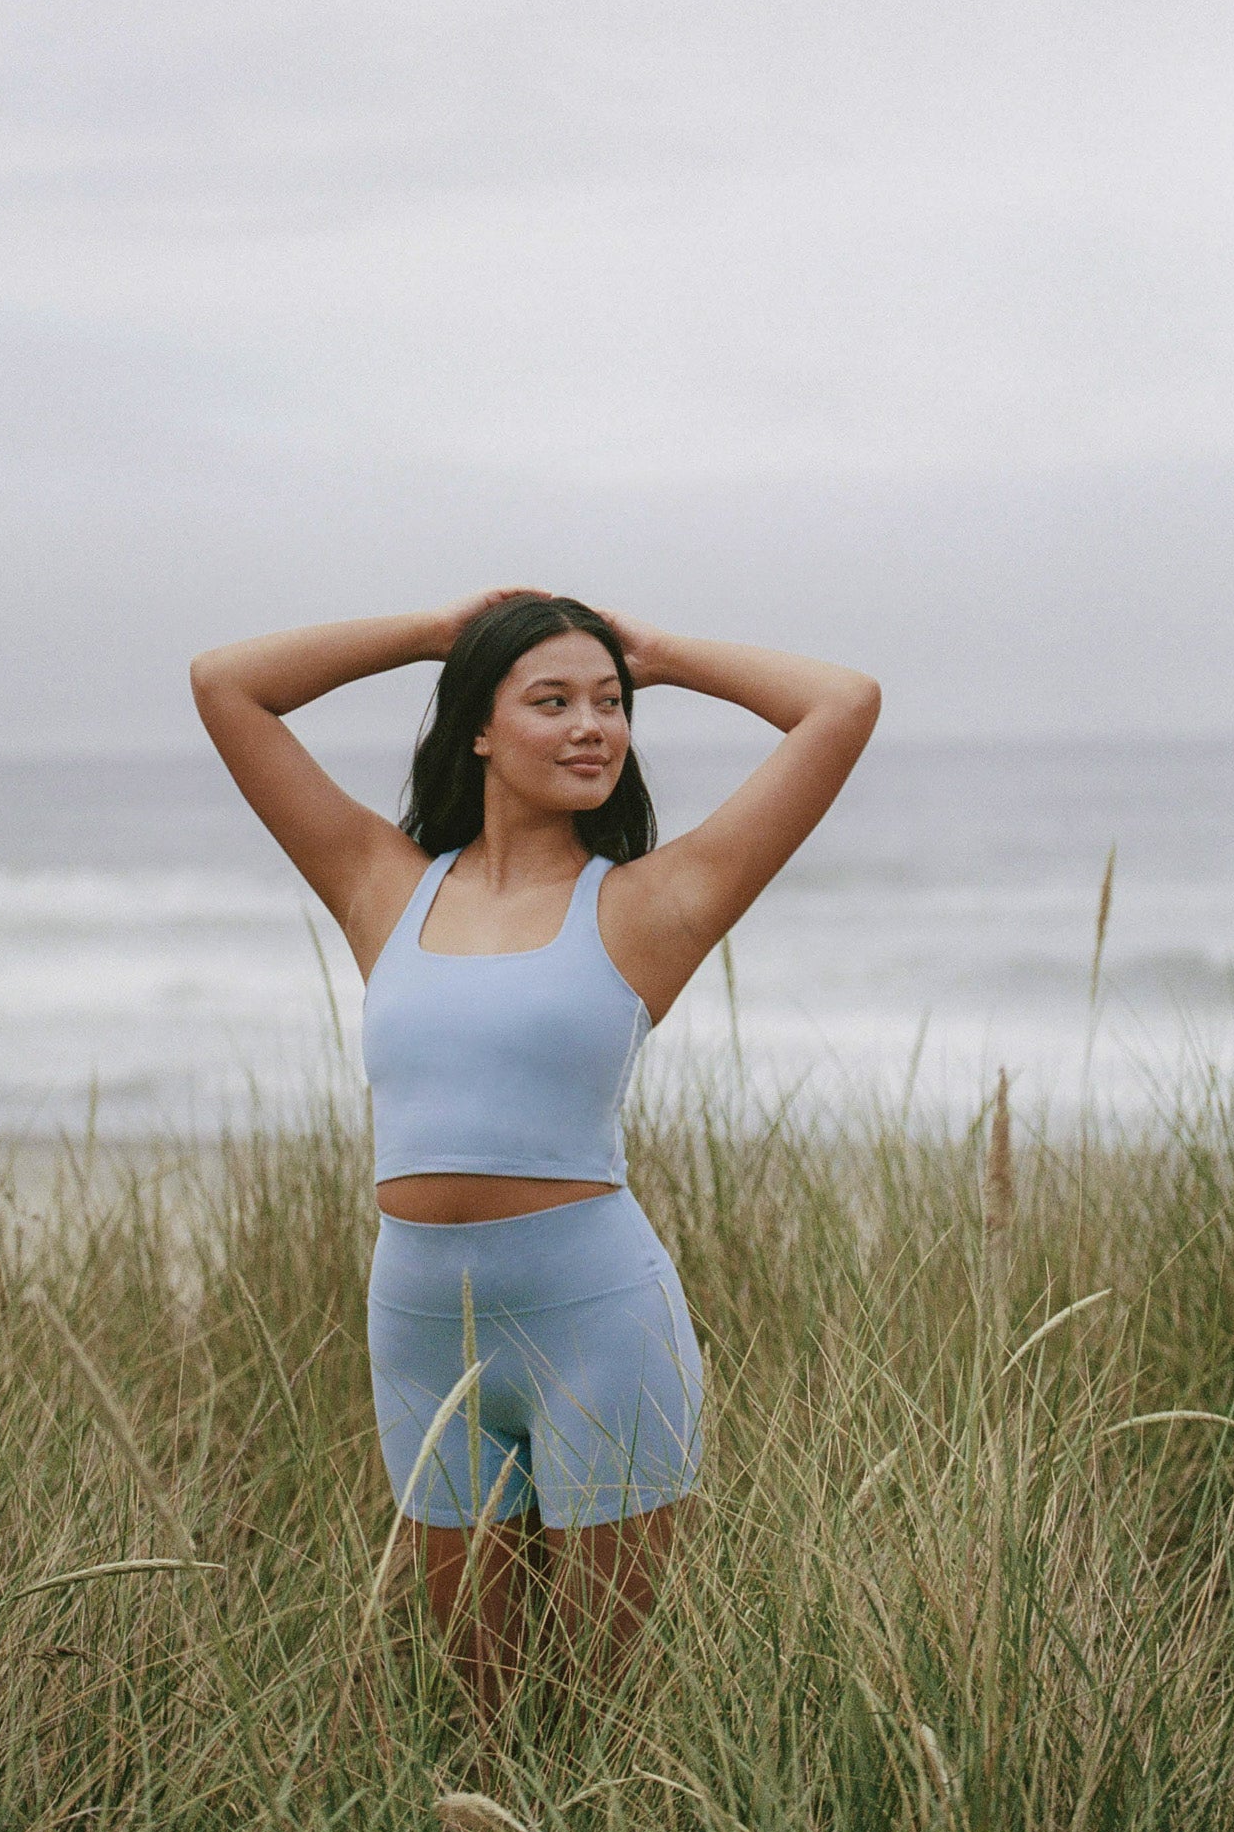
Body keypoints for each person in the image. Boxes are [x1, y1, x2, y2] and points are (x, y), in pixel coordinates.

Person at [189, 589, 880, 1721]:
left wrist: (654, 648)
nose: (592, 725)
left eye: (611, 704)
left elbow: (841, 704)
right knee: (484, 1719)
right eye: (550, 700)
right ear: (478, 725)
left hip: (597, 1325)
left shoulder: (655, 903)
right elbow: (228, 683)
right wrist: (429, 631)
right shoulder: (383, 887)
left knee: (606, 1714)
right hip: (418, 1333)